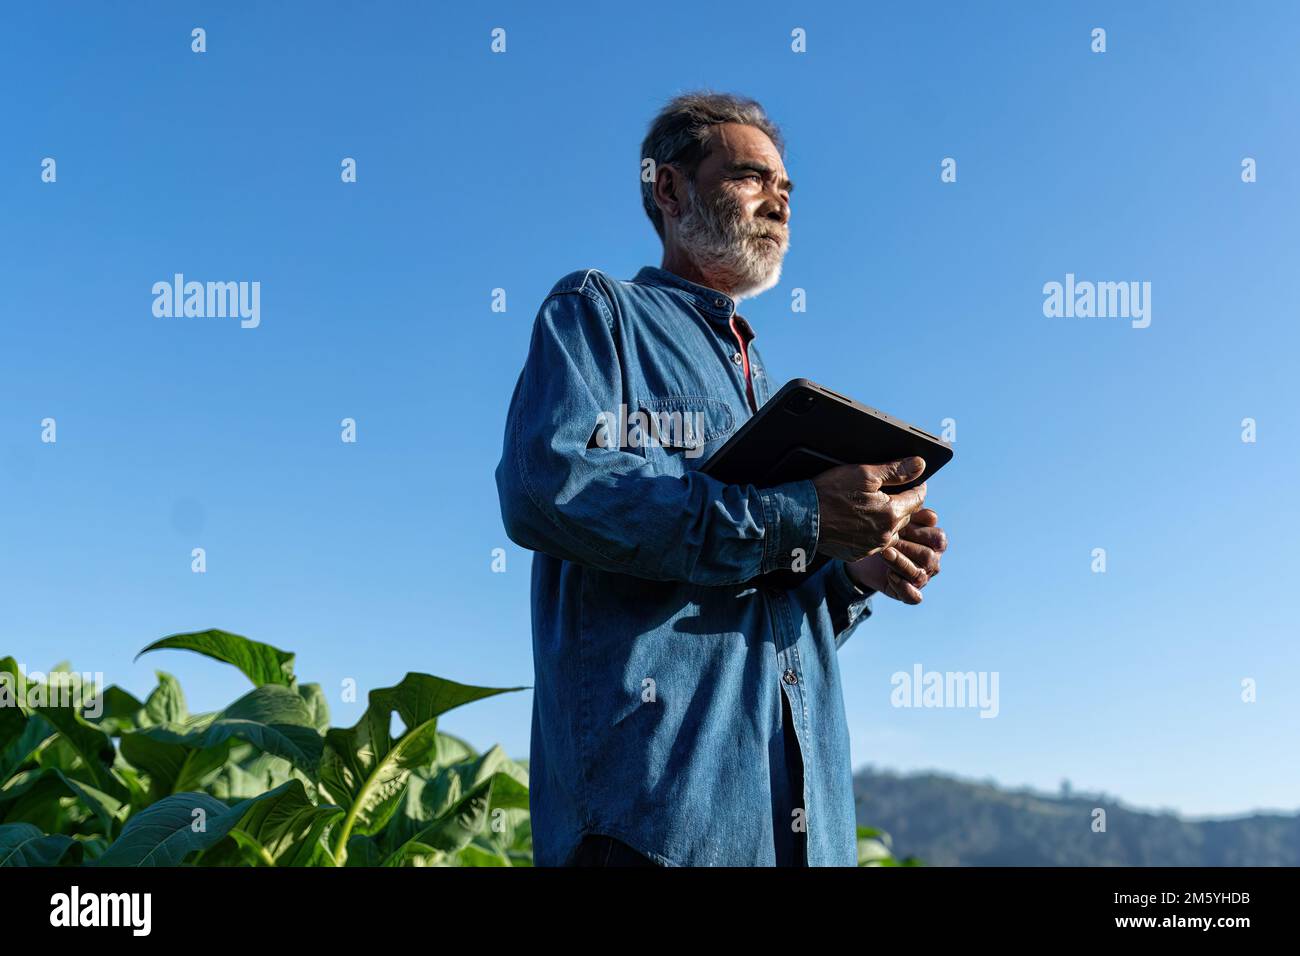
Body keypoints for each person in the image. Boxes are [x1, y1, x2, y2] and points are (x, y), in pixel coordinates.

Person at [495, 91, 948, 867]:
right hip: (652, 827)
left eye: (787, 189)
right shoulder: (600, 313)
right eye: (750, 177)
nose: (779, 199)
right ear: (668, 190)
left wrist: (848, 571)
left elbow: (755, 612)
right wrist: (801, 519)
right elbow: (550, 487)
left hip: (792, 831)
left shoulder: (761, 384)